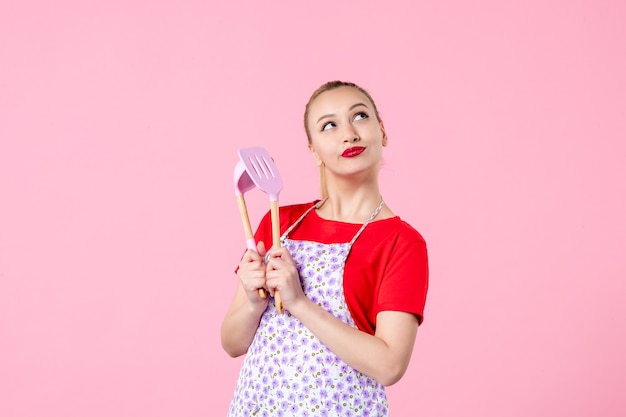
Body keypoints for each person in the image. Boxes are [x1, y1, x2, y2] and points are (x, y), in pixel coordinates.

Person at [221, 80, 429, 417]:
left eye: (359, 117)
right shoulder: (280, 223)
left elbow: (390, 365)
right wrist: (252, 300)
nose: (348, 133)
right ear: (314, 151)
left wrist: (298, 302)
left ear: (383, 131)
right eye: (329, 125)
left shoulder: (401, 242)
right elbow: (232, 343)